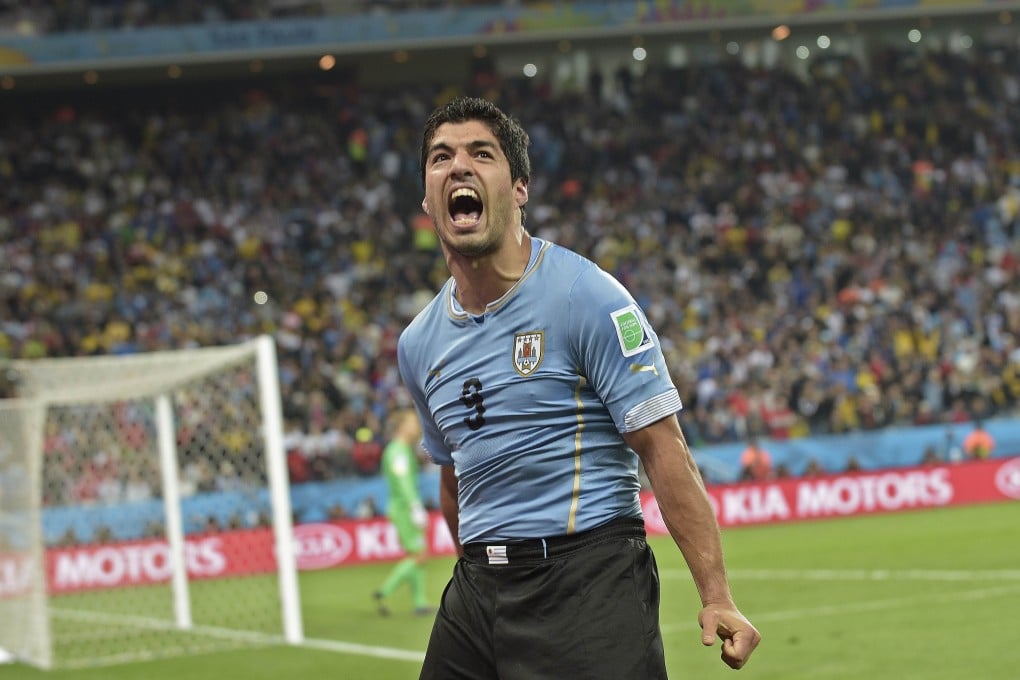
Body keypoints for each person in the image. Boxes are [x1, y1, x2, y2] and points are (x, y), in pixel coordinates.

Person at [397, 96, 760, 678]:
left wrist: (715, 594)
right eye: (441, 157)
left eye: (480, 154)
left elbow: (664, 449)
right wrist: (482, 567)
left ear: (519, 187)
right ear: (426, 197)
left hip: (585, 581)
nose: (458, 166)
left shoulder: (585, 297)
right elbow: (454, 474)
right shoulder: (418, 343)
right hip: (478, 591)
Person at [373, 408, 434, 616]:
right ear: (402, 427)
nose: (417, 426)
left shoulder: (399, 450)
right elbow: (403, 482)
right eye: (412, 422)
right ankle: (384, 591)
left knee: (415, 554)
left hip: (402, 507)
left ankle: (420, 602)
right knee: (420, 555)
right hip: (404, 508)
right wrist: (415, 507)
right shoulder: (398, 451)